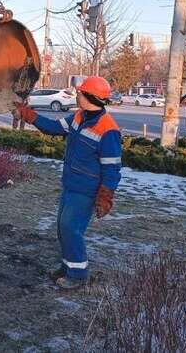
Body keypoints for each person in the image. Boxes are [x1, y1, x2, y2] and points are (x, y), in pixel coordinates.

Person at [15, 76, 122, 290]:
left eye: (80, 93)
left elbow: (112, 167)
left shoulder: (108, 129)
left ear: (89, 97)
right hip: (70, 184)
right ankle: (67, 266)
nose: (77, 95)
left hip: (86, 189)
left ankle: (78, 274)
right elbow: (54, 127)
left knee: (71, 228)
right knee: (62, 228)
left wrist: (105, 195)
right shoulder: (78, 117)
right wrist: (30, 115)